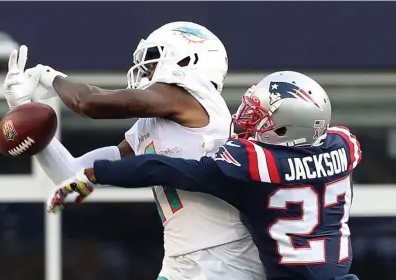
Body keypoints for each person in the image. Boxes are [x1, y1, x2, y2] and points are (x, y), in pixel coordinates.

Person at [3, 21, 264, 280]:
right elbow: (71, 173)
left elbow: (89, 103)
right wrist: (26, 111)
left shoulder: (191, 94)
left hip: (224, 257)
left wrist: (49, 77)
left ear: (188, 61)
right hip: (183, 258)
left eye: (154, 59)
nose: (146, 69)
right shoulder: (154, 125)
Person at [53, 71, 362, 280]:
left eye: (258, 116)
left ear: (284, 129)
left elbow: (163, 168)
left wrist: (97, 173)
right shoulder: (342, 145)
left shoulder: (255, 166)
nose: (244, 118)